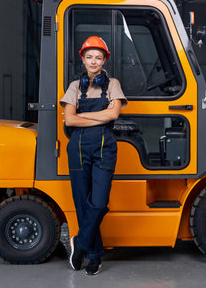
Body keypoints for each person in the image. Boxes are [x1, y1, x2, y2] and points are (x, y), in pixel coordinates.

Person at [60, 36, 127, 275]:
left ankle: (80, 245)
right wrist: (100, 114)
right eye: (89, 57)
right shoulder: (74, 86)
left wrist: (83, 116)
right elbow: (69, 119)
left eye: (98, 57)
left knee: (98, 204)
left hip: (104, 148)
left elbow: (114, 115)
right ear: (82, 58)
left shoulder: (113, 84)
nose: (93, 61)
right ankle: (95, 255)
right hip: (77, 147)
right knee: (82, 205)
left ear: (104, 59)